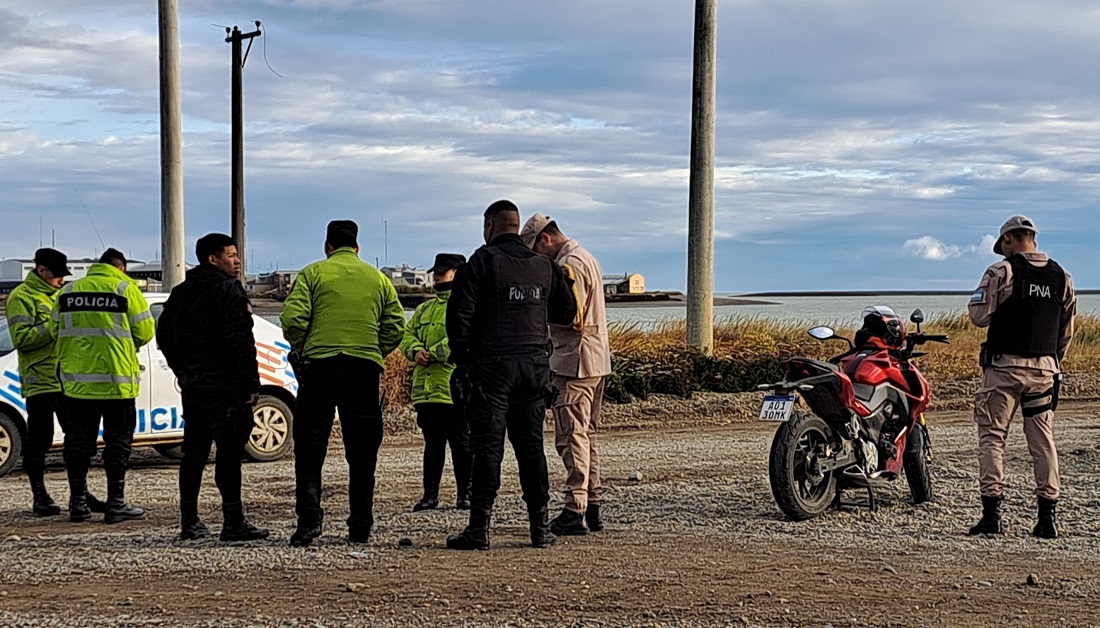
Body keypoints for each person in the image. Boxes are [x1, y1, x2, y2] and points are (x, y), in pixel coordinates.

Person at [444, 200, 577, 551]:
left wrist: (463, 362)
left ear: (490, 226)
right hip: (534, 367)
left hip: (491, 368)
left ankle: (479, 528)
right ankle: (540, 528)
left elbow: (459, 319)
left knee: (488, 447)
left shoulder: (482, 262)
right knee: (531, 447)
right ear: (516, 227)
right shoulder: (543, 265)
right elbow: (566, 311)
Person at [280, 220, 405, 547]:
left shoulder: (312, 274)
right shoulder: (378, 279)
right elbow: (395, 326)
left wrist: (303, 346)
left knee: (310, 448)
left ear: (327, 246)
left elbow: (293, 320)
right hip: (362, 371)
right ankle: (360, 525)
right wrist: (374, 350)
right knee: (362, 452)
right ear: (358, 247)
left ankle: (308, 523)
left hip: (319, 369)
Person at [967, 215, 1076, 539]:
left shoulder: (1003, 271)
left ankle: (992, 515)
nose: (1003, 252)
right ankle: (1047, 518)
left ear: (1010, 240)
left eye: (1003, 246)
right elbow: (1066, 330)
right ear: (1035, 239)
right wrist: (1051, 359)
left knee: (992, 438)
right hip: (1044, 369)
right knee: (1042, 441)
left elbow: (978, 317)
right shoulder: (1062, 276)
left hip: (1003, 369)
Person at [157, 234, 270, 542]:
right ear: (212, 259)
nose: (237, 260)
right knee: (229, 454)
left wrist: (183, 369)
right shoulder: (228, 291)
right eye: (231, 255)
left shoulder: (181, 293)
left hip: (195, 386)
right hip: (226, 388)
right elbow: (241, 342)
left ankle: (189, 521)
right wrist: (251, 384)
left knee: (193, 453)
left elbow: (164, 335)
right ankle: (233, 522)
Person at [520, 214, 611, 536]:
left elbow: (572, 316)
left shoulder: (568, 264)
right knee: (586, 435)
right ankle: (593, 502)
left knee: (570, 436)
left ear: (545, 239)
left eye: (534, 250)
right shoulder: (587, 256)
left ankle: (575, 508)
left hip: (574, 361)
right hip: (595, 360)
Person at [51, 248, 154, 524]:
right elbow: (144, 332)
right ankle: (116, 504)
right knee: (118, 443)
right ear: (121, 268)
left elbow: (53, 331)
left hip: (74, 385)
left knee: (77, 444)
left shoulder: (68, 291)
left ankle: (78, 503)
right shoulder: (125, 289)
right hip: (116, 382)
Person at [4, 248, 104, 516]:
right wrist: (54, 325)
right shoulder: (21, 297)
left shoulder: (61, 295)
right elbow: (22, 339)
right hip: (40, 380)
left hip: (67, 377)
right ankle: (40, 495)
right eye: (57, 275)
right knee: (41, 439)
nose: (61, 280)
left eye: (63, 275)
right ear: (41, 270)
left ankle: (80, 495)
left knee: (77, 437)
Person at [399, 253, 473, 512]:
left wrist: (435, 352)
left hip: (454, 387)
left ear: (457, 272)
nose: (437, 276)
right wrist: (415, 351)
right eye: (436, 272)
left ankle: (466, 494)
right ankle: (430, 495)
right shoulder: (424, 309)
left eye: (443, 272)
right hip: (427, 390)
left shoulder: (466, 304)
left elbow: (465, 337)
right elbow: (406, 335)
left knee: (461, 442)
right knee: (433, 444)